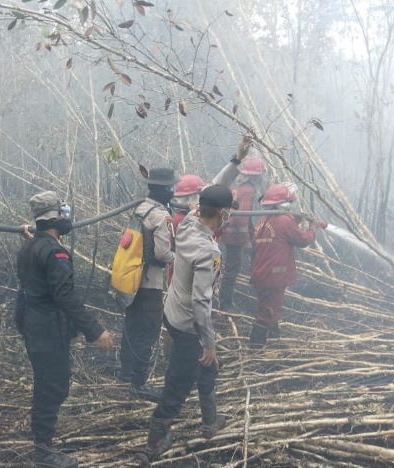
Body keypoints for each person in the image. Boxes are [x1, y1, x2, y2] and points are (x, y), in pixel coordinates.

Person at [16, 191, 115, 468]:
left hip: (33, 326)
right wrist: (95, 331)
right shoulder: (55, 252)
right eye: (61, 213)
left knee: (47, 384)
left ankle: (42, 443)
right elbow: (65, 297)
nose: (65, 218)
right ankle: (43, 452)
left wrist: (36, 241)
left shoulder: (30, 246)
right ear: (54, 219)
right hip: (48, 330)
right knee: (53, 388)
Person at [143, 185, 234, 460]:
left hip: (172, 313)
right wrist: (208, 344)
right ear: (223, 213)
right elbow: (201, 303)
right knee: (178, 383)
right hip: (189, 327)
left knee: (207, 369)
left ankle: (210, 422)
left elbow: (209, 192)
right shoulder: (210, 252)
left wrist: (236, 160)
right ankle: (155, 440)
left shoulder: (187, 225)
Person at [118, 167, 179, 401]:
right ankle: (139, 383)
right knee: (149, 330)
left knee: (131, 324)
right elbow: (163, 253)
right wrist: (181, 260)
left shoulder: (141, 208)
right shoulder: (161, 215)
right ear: (166, 189)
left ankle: (125, 372)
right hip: (149, 281)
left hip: (131, 278)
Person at [249, 183, 326, 348]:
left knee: (271, 309)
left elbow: (278, 236)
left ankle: (274, 342)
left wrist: (296, 219)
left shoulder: (262, 220)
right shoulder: (284, 220)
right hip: (274, 277)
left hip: (261, 274)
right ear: (284, 203)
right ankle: (255, 350)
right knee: (266, 313)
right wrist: (313, 228)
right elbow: (303, 240)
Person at [218, 154, 268, 311]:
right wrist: (246, 239)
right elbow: (242, 217)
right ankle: (225, 304)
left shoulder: (236, 186)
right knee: (232, 268)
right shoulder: (248, 189)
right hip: (236, 235)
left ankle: (257, 295)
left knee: (235, 264)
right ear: (256, 175)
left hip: (229, 231)